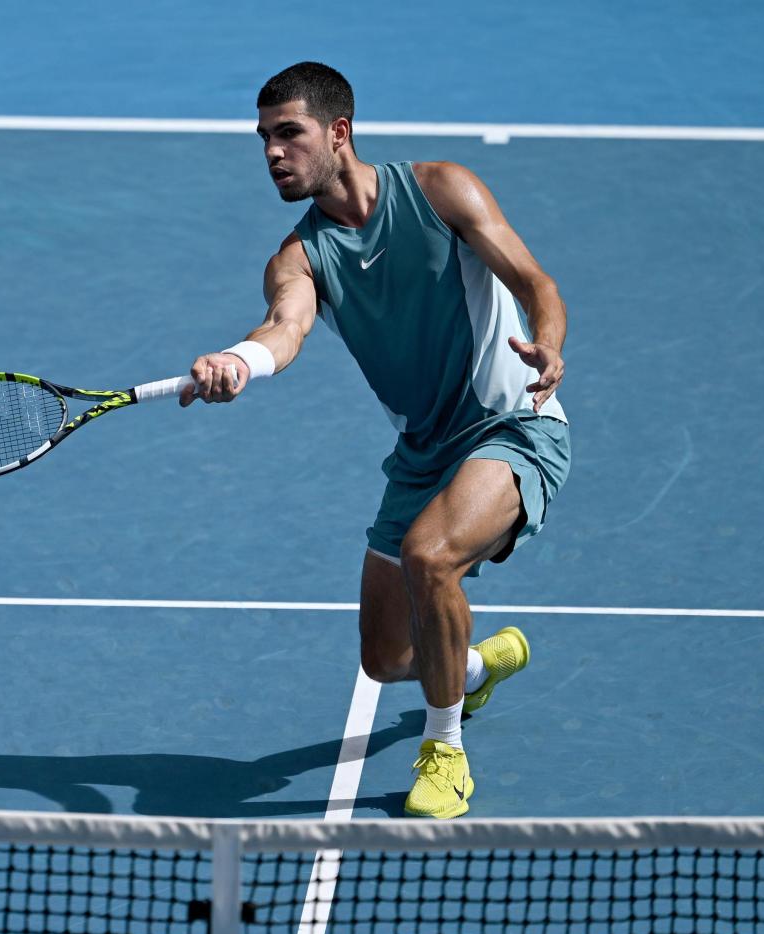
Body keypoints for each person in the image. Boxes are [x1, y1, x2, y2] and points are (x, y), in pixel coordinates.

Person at [183, 62, 571, 818]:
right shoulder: (299, 257)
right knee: (389, 656)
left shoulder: (440, 189)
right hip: (424, 454)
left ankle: (445, 751)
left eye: (288, 134)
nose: (271, 153)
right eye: (263, 138)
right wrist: (241, 360)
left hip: (513, 424)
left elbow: (536, 284)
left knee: (431, 556)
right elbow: (283, 327)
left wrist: (549, 345)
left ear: (339, 131)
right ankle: (474, 662)